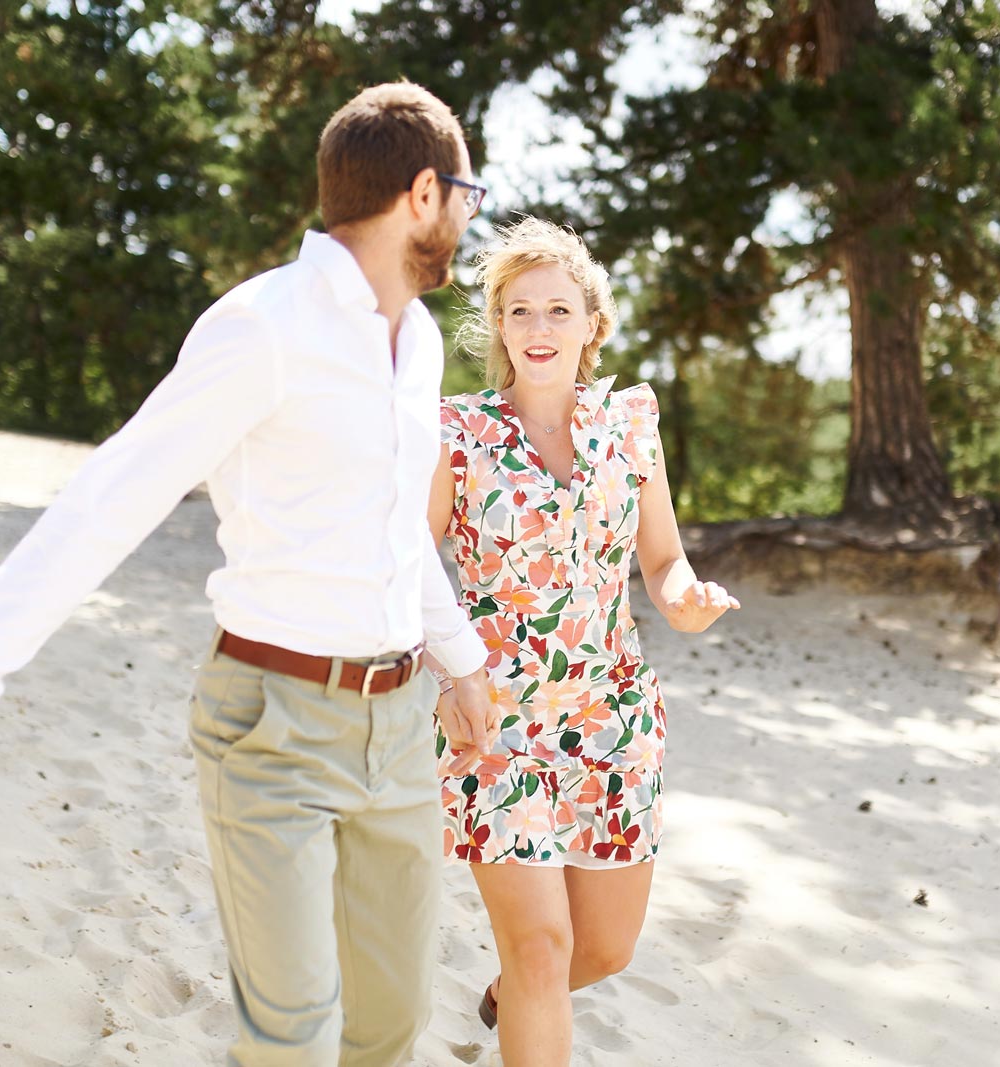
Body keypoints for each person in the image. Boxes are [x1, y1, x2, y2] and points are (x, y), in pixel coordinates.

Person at [0, 82, 504, 1067]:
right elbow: (112, 496)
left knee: (387, 1023)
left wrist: (461, 663)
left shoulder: (417, 342)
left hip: (398, 724)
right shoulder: (263, 325)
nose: (470, 216)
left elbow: (392, 532)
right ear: (423, 194)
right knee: (291, 1033)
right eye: (465, 192)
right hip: (272, 722)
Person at [427, 218, 739, 1067]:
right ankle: (524, 983)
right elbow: (408, 563)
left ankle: (507, 999)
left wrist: (687, 600)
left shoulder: (631, 425)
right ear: (497, 325)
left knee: (602, 951)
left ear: (592, 324)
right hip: (492, 719)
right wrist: (443, 661)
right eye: (519, 310)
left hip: (614, 719)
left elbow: (663, 558)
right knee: (542, 947)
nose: (537, 328)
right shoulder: (457, 433)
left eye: (558, 309)